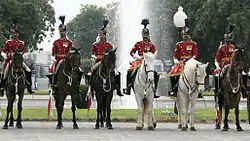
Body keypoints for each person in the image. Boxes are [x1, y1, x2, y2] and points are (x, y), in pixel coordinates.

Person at [214, 24, 248, 129]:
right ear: (225, 39)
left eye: (230, 39)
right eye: (227, 39)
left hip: (234, 66)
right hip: (225, 66)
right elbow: (216, 59)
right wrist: (218, 66)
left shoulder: (234, 48)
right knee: (219, 76)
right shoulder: (222, 48)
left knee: (243, 74)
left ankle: (244, 89)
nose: (228, 41)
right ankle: (219, 89)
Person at [122, 19, 160, 98]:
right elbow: (131, 52)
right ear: (142, 35)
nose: (145, 37)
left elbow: (154, 54)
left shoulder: (151, 45)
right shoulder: (138, 44)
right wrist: (138, 57)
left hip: (148, 62)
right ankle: (128, 87)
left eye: (146, 35)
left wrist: (149, 58)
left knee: (156, 74)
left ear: (148, 35)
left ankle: (155, 90)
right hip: (139, 61)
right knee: (129, 71)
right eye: (144, 35)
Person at [86, 19, 124, 97]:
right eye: (100, 35)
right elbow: (92, 53)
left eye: (103, 35)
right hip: (98, 61)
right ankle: (90, 89)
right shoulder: (95, 45)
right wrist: (93, 57)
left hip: (107, 62)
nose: (101, 36)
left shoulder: (109, 45)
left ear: (105, 35)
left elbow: (111, 54)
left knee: (117, 73)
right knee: (91, 72)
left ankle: (118, 89)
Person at [47, 16, 83, 95]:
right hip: (58, 59)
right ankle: (53, 85)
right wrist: (55, 57)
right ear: (59, 32)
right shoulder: (56, 42)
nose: (63, 33)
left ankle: (77, 85)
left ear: (66, 32)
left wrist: (68, 56)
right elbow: (54, 52)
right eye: (61, 31)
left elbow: (69, 50)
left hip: (68, 59)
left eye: (64, 31)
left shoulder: (69, 42)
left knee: (79, 70)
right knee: (53, 70)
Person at [0, 20, 34, 96]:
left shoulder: (21, 43)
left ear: (18, 34)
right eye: (14, 33)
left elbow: (24, 51)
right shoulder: (8, 42)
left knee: (29, 70)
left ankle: (29, 86)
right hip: (10, 60)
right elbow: (3, 51)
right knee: (4, 72)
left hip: (19, 60)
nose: (15, 35)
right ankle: (2, 87)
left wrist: (22, 55)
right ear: (12, 34)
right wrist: (6, 56)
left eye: (16, 33)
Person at [167, 25, 198, 97]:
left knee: (199, 73)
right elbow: (175, 55)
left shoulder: (193, 44)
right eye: (184, 35)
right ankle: (174, 89)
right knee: (172, 74)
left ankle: (198, 89)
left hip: (190, 62)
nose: (185, 36)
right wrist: (176, 61)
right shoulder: (179, 44)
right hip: (181, 63)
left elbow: (195, 54)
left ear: (189, 35)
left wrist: (190, 61)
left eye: (186, 35)